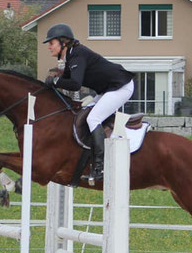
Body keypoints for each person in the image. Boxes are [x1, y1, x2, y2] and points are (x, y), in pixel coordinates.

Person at [43, 23, 134, 182]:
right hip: (107, 89)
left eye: (51, 43)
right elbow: (64, 81)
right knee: (84, 111)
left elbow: (75, 84)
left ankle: (100, 167)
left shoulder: (77, 54)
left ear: (63, 42)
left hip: (121, 86)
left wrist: (55, 81)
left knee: (93, 118)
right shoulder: (71, 56)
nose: (49, 47)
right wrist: (50, 84)